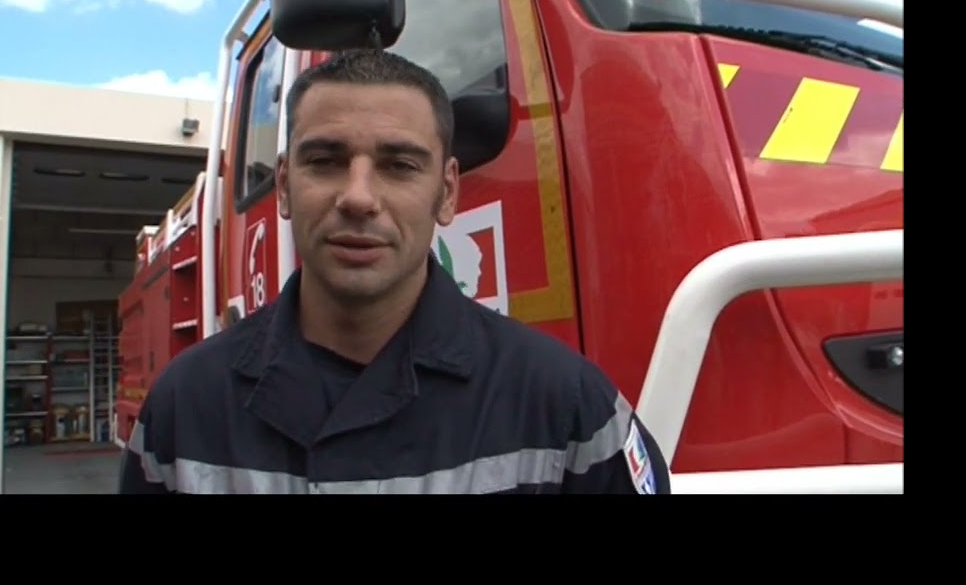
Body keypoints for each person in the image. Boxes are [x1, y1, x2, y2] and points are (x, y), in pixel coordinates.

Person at [118, 48, 671, 494]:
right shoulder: (182, 409)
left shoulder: (571, 409)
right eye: (326, 161)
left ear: (446, 192)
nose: (358, 197)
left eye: (399, 165)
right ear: (284, 187)